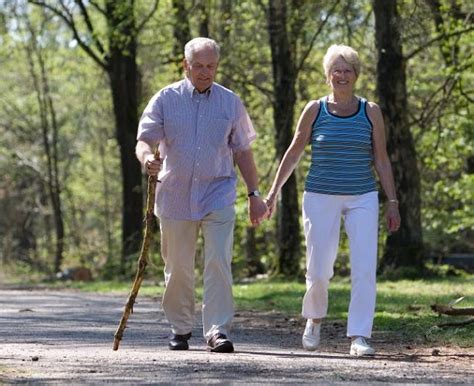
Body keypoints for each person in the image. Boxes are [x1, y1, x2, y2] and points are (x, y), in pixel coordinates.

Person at [265, 44, 401, 356]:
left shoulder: (371, 111)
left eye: (347, 70)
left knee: (365, 265)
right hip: (320, 195)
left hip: (362, 196)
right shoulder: (315, 110)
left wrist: (392, 201)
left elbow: (381, 159)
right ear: (328, 76)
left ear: (356, 75)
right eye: (336, 70)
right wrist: (273, 192)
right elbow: (294, 152)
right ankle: (314, 317)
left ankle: (359, 335)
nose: (342, 75)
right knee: (319, 267)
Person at [135, 37, 268, 353]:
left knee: (218, 262)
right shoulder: (165, 99)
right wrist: (146, 159)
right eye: (198, 66)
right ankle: (180, 329)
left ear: (216, 66)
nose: (205, 72)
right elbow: (143, 140)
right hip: (175, 195)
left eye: (211, 66)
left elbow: (244, 152)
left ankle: (217, 330)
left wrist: (254, 194)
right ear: (186, 65)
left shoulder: (230, 102)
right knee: (178, 266)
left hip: (218, 192)